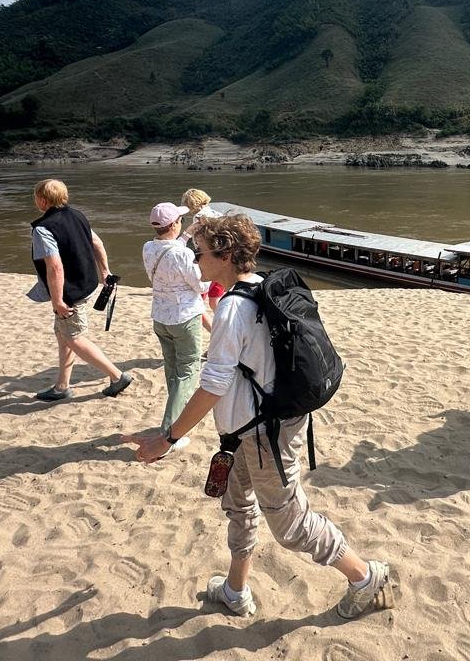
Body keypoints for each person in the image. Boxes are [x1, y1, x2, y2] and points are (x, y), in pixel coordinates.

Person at [128, 214, 395, 620]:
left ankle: (366, 577)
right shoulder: (258, 288)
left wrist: (167, 438)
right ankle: (235, 590)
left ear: (225, 255)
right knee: (238, 507)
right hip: (242, 434)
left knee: (291, 527)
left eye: (199, 252)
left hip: (264, 436)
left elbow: (213, 385)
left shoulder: (233, 308)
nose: (194, 258)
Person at [26, 179, 133, 401]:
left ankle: (117, 377)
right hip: (86, 283)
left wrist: (57, 300)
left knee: (74, 338)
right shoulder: (78, 215)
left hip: (69, 292)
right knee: (63, 334)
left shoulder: (43, 228)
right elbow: (97, 243)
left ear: (43, 201)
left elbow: (55, 267)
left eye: (35, 197)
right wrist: (105, 271)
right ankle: (62, 386)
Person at [143, 202, 210, 446]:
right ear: (173, 224)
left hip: (161, 317)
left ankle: (176, 417)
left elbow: (170, 250)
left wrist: (188, 234)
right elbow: (200, 285)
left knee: (172, 370)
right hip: (184, 318)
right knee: (188, 370)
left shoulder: (148, 247)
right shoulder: (184, 254)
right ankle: (170, 431)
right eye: (180, 220)